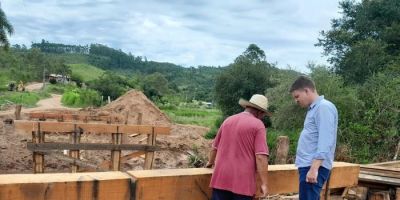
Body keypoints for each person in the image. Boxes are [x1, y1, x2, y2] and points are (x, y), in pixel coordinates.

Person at [206, 94, 271, 200]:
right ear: (260, 112)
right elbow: (261, 157)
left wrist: (210, 162)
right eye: (263, 114)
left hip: (220, 179)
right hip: (243, 184)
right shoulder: (258, 125)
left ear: (247, 107)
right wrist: (264, 183)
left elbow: (214, 148)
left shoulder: (228, 120)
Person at [290, 76, 338, 200]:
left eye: (297, 96)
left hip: (313, 166)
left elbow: (326, 139)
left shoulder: (323, 107)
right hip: (309, 165)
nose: (296, 101)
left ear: (307, 91)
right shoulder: (314, 109)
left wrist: (314, 168)